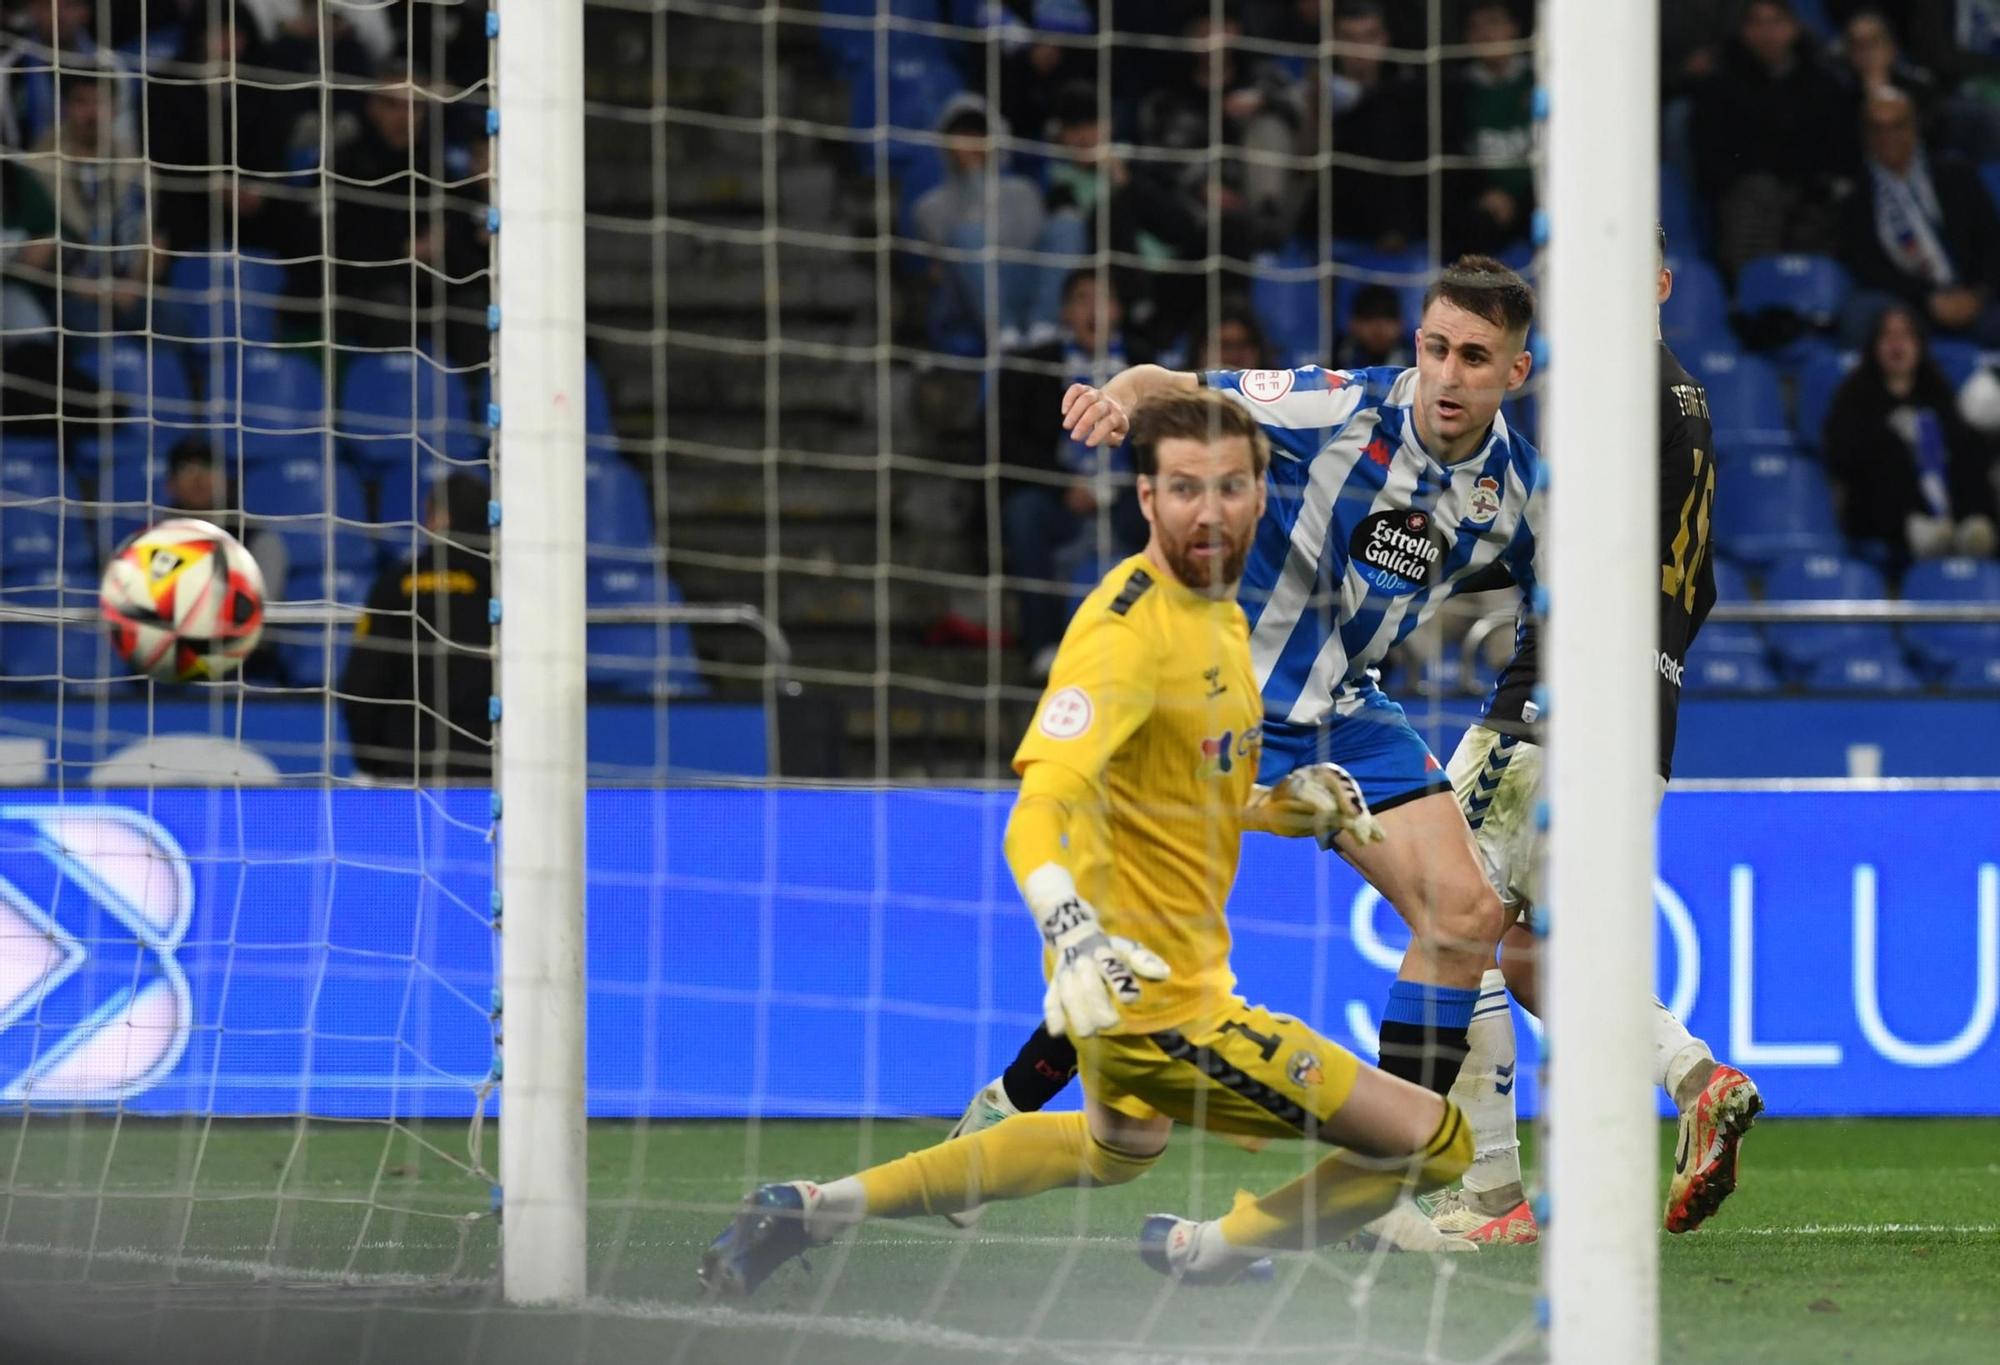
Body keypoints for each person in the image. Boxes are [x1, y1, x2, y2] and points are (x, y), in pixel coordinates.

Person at [700, 390, 1472, 1298]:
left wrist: (1280, 808)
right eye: (1184, 488)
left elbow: (1187, 789)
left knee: (1120, 1147)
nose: (1209, 511)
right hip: (1153, 998)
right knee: (1437, 1139)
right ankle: (1213, 1250)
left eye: (1230, 488)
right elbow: (1035, 812)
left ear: (1264, 495)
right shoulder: (1125, 634)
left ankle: (807, 1207)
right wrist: (1074, 937)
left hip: (1160, 977)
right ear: (1146, 498)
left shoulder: (1221, 617)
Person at [948, 258, 1544, 1246]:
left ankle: (1375, 1180)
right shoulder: (1335, 409)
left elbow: (1570, 585)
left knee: (1465, 909)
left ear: (1511, 374)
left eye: (1471, 357)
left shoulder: (1517, 488)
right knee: (1138, 986)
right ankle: (1000, 1116)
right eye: (1433, 347)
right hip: (1217, 701)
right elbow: (1171, 388)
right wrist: (1115, 396)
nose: (1444, 374)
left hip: (1344, 714)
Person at [1422, 227, 1763, 1246]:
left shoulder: (1608, 397)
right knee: (1529, 952)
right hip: (1646, 710)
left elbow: (1542, 539)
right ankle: (1694, 1077)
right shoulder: (1684, 400)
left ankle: (1488, 1199)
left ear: (1658, 282)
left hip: (1557, 699)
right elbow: (1685, 583)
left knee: (1451, 926)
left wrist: (1423, 568)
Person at [994, 270, 1145, 676]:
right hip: (1061, 498)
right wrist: (1063, 484)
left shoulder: (1147, 365)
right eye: (1082, 298)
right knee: (1024, 513)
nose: (1093, 309)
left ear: (1118, 310)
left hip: (1131, 500)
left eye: (1104, 299)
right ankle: (1043, 645)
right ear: (1064, 312)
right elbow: (1007, 442)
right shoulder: (1032, 366)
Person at [339, 474, 494, 782]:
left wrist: (374, 762)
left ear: (437, 517)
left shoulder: (396, 584)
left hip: (408, 766)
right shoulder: (506, 587)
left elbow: (362, 685)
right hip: (495, 769)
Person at [1822, 302, 1999, 563]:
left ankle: (1972, 524)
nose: (1897, 344)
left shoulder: (1938, 394)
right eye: (1887, 335)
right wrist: (1889, 433)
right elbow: (1840, 454)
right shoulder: (1854, 396)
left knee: (1967, 446)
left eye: (1905, 335)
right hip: (1882, 515)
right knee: (1889, 451)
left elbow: (1969, 447)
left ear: (1919, 345)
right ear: (1874, 346)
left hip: (1944, 499)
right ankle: (1916, 531)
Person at [1690, 0, 1853, 274]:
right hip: (1748, 196)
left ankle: (1812, 304)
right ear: (1744, 30)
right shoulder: (1720, 87)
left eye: (1776, 22)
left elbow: (1840, 153)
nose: (1767, 33)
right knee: (1756, 199)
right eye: (1757, 23)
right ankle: (1751, 296)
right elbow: (1712, 161)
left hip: (1809, 194)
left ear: (1794, 27)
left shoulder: (1822, 84)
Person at [1838, 86, 2000, 345]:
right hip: (1910, 304)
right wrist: (1928, 299)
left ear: (1915, 127)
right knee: (1864, 316)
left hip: (1977, 296)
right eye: (1876, 129)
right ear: (1865, 136)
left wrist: (1977, 295)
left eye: (1897, 126)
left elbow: (1992, 242)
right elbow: (1867, 267)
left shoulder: (1958, 175)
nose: (1887, 137)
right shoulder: (1856, 198)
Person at [1443, 1, 1536, 255]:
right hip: (1483, 206)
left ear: (1514, 28)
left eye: (1494, 23)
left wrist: (1515, 196)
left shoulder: (1542, 78)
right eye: (1476, 27)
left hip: (1536, 198)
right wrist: (1485, 192)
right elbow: (1452, 159)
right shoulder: (1454, 91)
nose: (1486, 34)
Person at [1334, 283, 1413, 370]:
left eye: (1387, 318)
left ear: (1401, 324)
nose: (1379, 327)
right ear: (1353, 323)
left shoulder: (1416, 360)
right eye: (1369, 317)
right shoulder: (1333, 356)